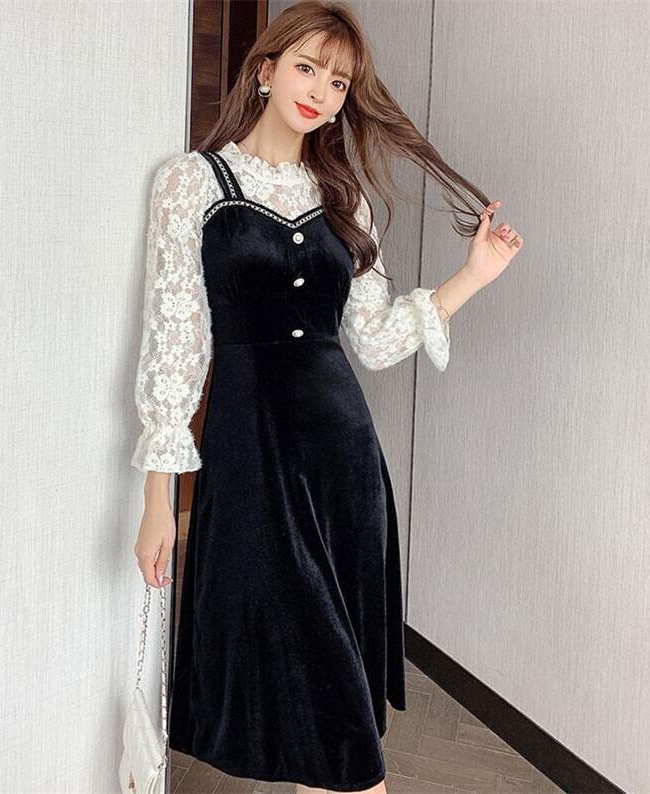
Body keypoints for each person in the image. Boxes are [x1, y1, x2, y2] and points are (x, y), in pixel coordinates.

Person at [130, 2, 523, 792]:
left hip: (344, 462)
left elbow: (371, 341)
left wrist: (472, 276)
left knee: (333, 702)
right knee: (318, 694)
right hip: (252, 459)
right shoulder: (191, 183)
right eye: (307, 68)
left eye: (338, 82)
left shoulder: (345, 199)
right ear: (265, 70)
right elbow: (174, 343)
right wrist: (157, 498)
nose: (320, 91)